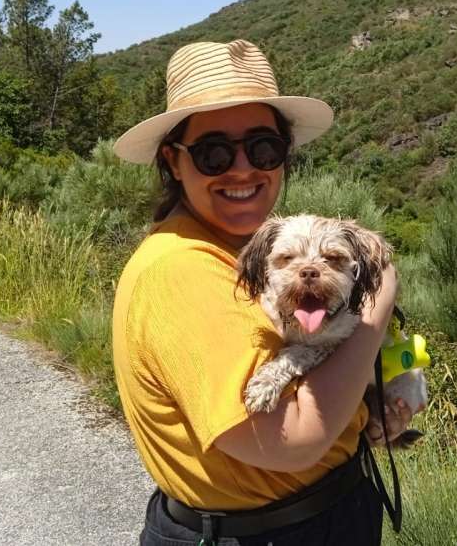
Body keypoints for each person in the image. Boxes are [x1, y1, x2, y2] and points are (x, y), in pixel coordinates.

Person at [111, 39, 414, 545]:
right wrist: (376, 302)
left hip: (321, 514)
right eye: (213, 153)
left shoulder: (238, 251)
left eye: (263, 147)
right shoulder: (181, 270)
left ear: (283, 155)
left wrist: (373, 408)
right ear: (173, 161)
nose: (243, 168)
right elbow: (292, 441)